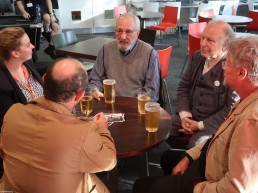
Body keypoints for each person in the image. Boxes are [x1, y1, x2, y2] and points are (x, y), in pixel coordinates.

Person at [132, 36, 258, 193]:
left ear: (241, 73)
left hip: (207, 181)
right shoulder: (246, 97)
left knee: (141, 186)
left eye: (227, 63)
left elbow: (236, 189)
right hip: (207, 162)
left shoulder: (251, 122)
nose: (223, 67)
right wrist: (189, 157)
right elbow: (218, 138)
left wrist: (196, 187)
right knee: (167, 158)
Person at [0, 58, 117, 193]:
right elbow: (108, 162)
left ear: (44, 80)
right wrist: (102, 129)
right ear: (80, 96)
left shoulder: (13, 113)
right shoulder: (82, 132)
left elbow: (4, 150)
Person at [167, 20, 239, 149]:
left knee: (196, 144)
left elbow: (230, 108)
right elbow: (183, 86)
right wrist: (185, 116)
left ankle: (195, 161)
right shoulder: (197, 57)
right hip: (190, 115)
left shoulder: (232, 67)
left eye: (210, 40)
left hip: (212, 123)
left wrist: (199, 125)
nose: (202, 44)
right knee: (165, 128)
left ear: (225, 45)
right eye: (202, 38)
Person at [89, 13, 160, 102]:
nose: (123, 37)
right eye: (119, 31)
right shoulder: (105, 49)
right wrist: (95, 90)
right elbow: (96, 79)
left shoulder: (149, 54)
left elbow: (151, 92)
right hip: (110, 104)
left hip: (136, 106)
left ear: (137, 34)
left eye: (128, 31)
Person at [0, 27, 43, 128]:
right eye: (28, 45)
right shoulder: (3, 85)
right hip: (28, 129)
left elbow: (38, 69)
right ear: (15, 53)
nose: (33, 46)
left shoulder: (27, 62)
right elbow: (11, 121)